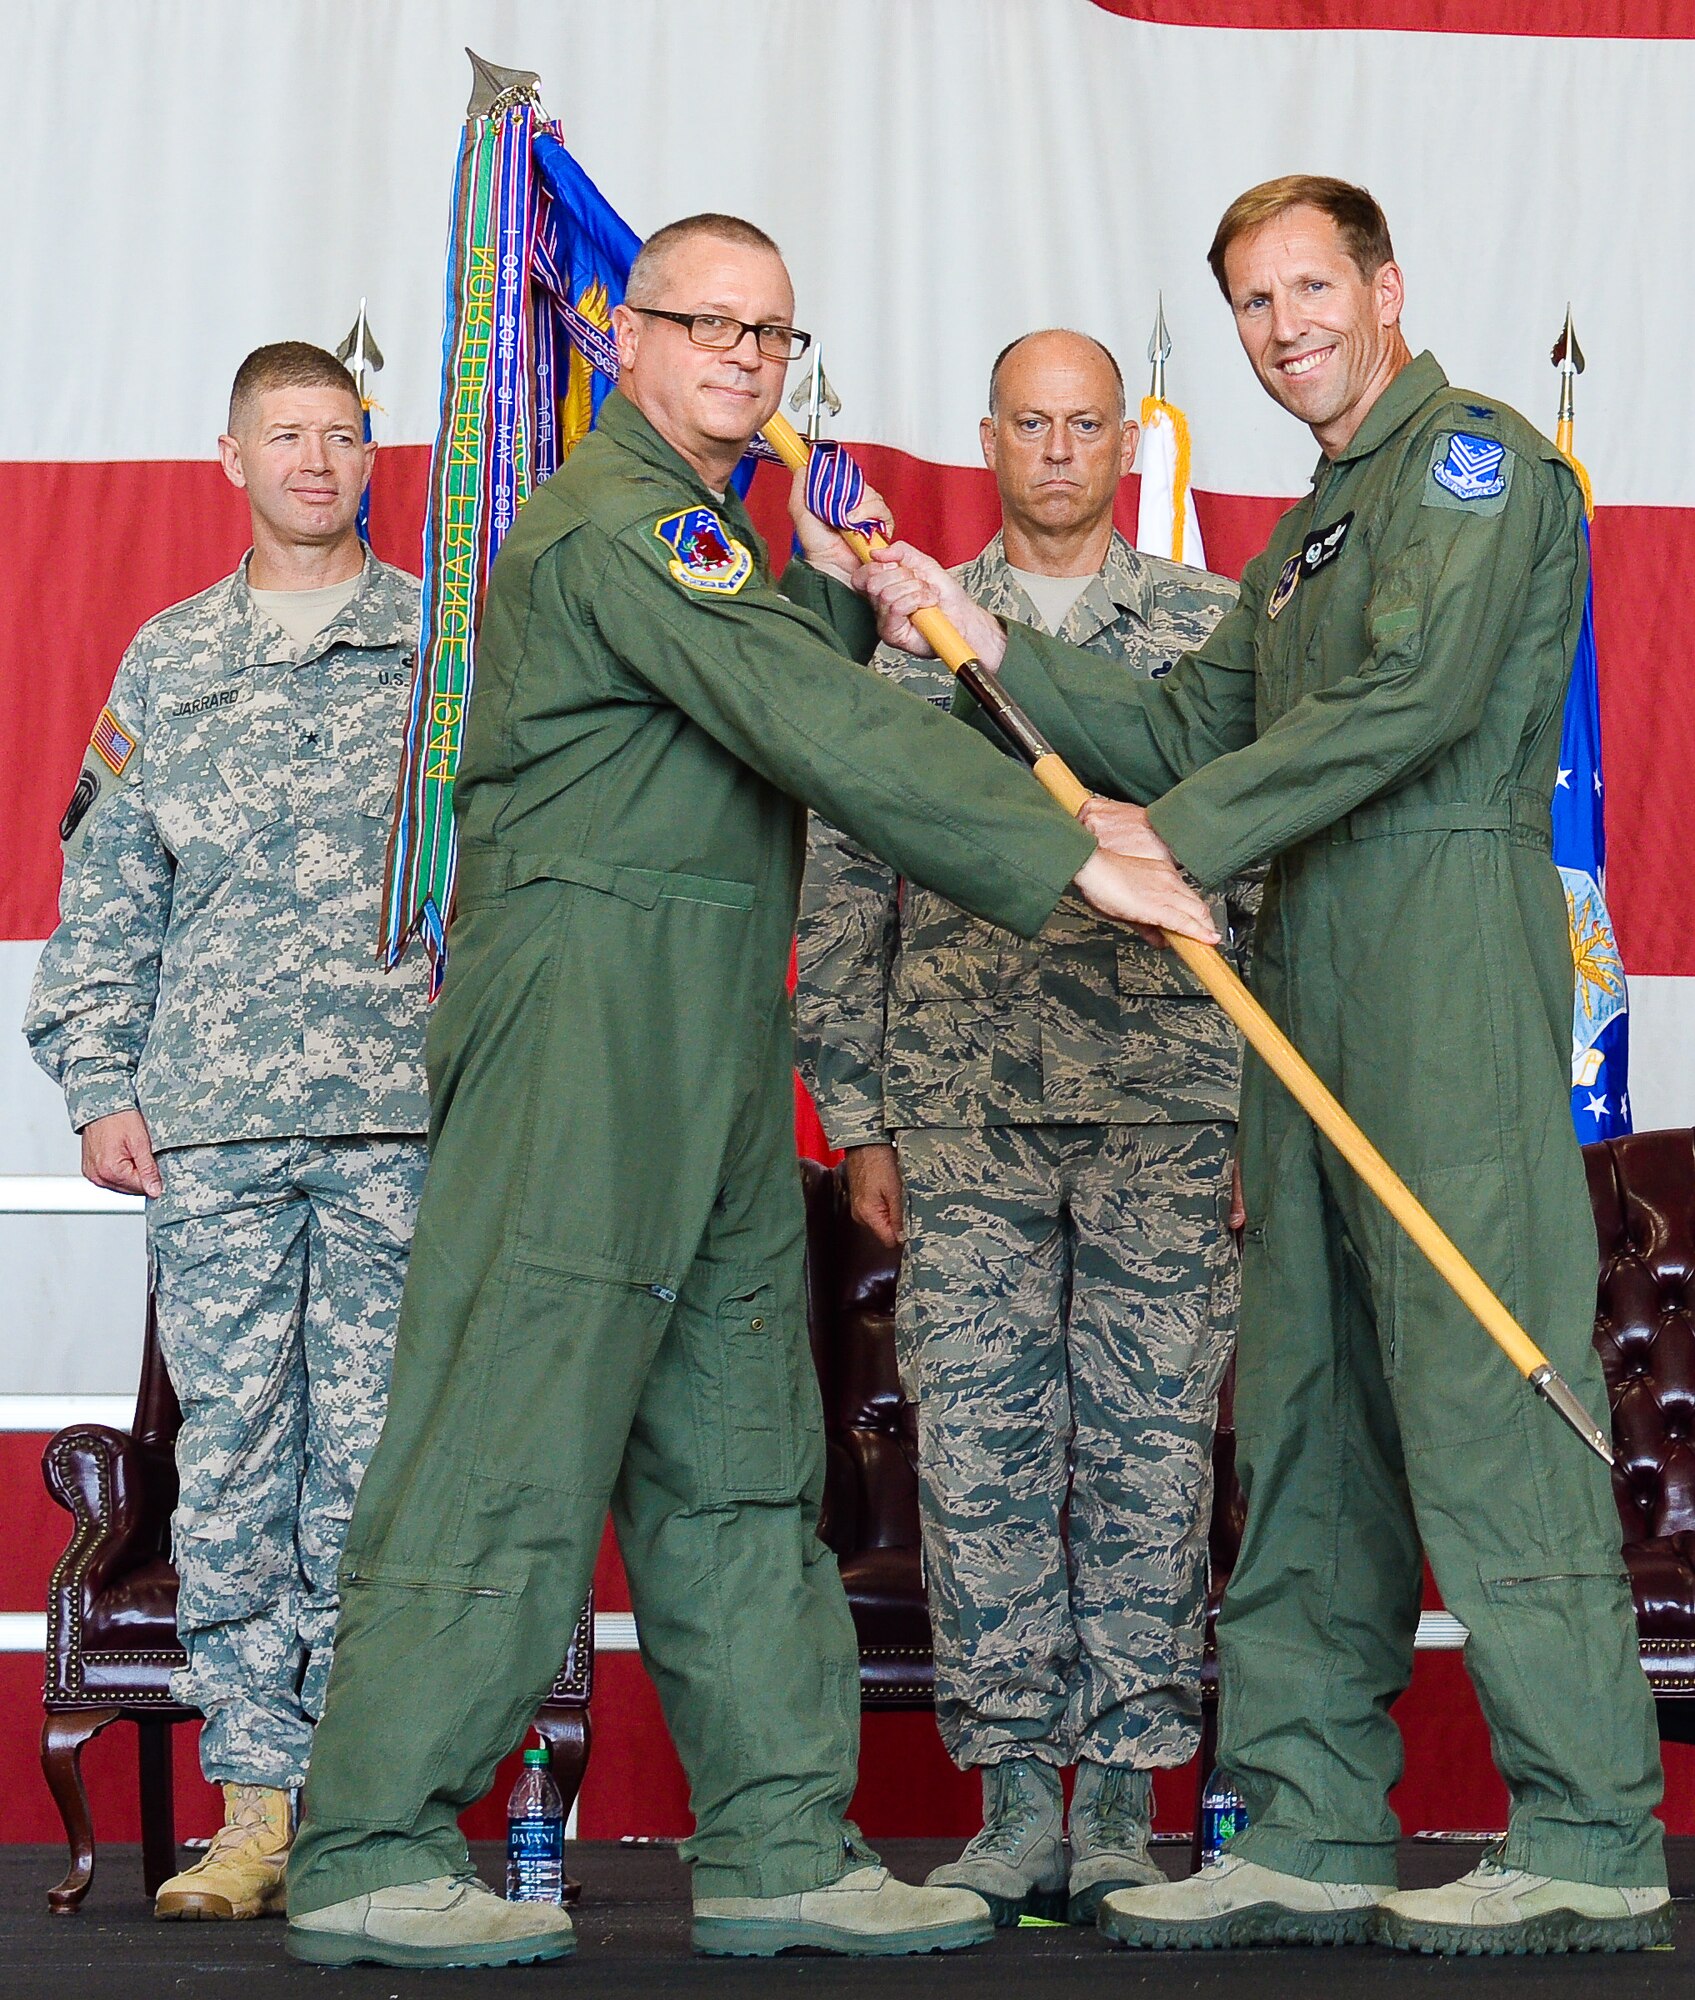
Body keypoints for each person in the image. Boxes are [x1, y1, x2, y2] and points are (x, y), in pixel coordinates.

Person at [282, 213, 1217, 1971]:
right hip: (581, 1009)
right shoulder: (614, 518)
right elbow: (813, 723)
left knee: (739, 1444)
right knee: (510, 1413)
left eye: (772, 334)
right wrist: (1070, 852)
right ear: (622, 336)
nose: (742, 355)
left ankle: (780, 1836)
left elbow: (763, 681)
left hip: (708, 1017)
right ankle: (370, 1845)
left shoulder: (712, 541)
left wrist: (824, 581)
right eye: (705, 322)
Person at [862, 176, 1670, 1957]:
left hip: (1442, 946)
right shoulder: (1313, 528)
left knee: (1477, 1373)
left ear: (1386, 286)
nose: (1283, 322)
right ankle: (1309, 1818)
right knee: (1308, 1402)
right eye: (1249, 299)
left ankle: (1594, 1832)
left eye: (1311, 285)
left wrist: (1173, 849)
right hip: (1301, 959)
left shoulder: (1476, 467)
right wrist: (979, 636)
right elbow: (1173, 722)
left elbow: (1410, 705)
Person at [795, 328, 1252, 1926]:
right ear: (986, 439)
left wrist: (1259, 1106)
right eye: (1029, 425)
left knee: (1148, 1460)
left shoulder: (1205, 630)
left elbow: (1260, 871)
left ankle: (1122, 1802)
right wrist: (859, 1115)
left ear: (1128, 443)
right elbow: (847, 880)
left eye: (1085, 426)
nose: (1058, 451)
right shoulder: (914, 638)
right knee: (981, 1457)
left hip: (1171, 1107)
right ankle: (1011, 1806)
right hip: (964, 1112)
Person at [25, 343, 429, 1920]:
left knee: (380, 1471)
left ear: (368, 454)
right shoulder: (169, 660)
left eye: (341, 435)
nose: (317, 461)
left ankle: (371, 1804)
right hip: (216, 1130)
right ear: (232, 458)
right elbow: (110, 895)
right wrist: (101, 1082)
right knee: (242, 1460)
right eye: (288, 436)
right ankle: (256, 1806)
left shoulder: (441, 653)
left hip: (407, 1119)